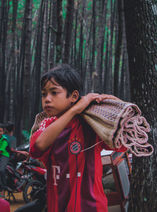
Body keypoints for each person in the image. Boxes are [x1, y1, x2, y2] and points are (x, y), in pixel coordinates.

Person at [29, 64, 126, 212]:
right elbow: (37, 147)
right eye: (44, 94)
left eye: (54, 93)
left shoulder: (91, 124)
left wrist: (116, 103)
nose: (47, 99)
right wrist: (75, 109)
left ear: (74, 96)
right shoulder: (46, 124)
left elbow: (123, 141)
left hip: (92, 207)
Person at [0, 124, 10, 191]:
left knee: (1, 170)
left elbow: (1, 150)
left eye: (0, 131)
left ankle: (4, 186)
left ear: (3, 132)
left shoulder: (4, 139)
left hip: (4, 155)